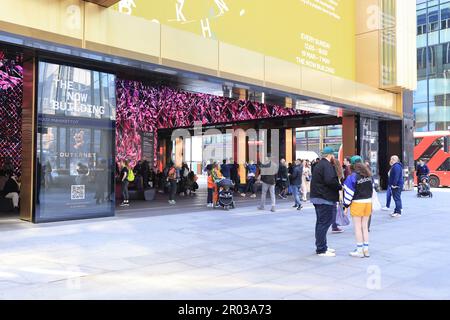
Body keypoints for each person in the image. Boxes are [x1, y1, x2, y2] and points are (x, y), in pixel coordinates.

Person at [310, 147, 342, 257]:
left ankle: (322, 246)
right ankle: (321, 249)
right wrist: (339, 187)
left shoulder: (319, 164)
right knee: (324, 223)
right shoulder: (327, 165)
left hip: (318, 197)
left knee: (320, 223)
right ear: (330, 155)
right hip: (324, 198)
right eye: (333, 155)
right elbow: (330, 180)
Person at [343, 156, 373, 258]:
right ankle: (366, 250)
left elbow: (348, 193)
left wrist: (345, 205)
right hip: (368, 202)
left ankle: (359, 250)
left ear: (352, 165)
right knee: (365, 227)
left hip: (357, 203)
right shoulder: (368, 175)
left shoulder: (352, 177)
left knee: (357, 227)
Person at [331, 158, 344, 234]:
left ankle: (334, 225)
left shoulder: (331, 172)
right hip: (338, 192)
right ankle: (334, 225)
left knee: (333, 209)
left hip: (332, 192)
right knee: (334, 209)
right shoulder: (339, 172)